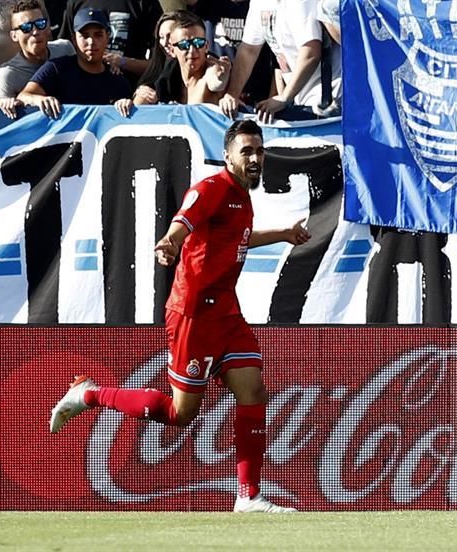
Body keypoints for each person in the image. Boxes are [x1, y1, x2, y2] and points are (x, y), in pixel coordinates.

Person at [50, 119, 310, 514]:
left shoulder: (241, 195)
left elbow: (237, 237)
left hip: (227, 313)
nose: (255, 158)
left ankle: (249, 496)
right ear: (228, 156)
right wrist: (170, 243)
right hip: (193, 315)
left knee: (253, 392)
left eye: (259, 151)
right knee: (179, 413)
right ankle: (88, 394)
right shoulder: (212, 188)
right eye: (247, 152)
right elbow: (182, 222)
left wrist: (284, 234)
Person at [219, 0, 340, 123]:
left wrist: (284, 97)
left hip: (334, 101)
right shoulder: (259, 3)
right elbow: (248, 50)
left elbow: (310, 52)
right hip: (304, 100)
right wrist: (233, 94)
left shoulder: (300, 2)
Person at [17, 7, 132, 118]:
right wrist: (38, 100)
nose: (91, 42)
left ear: (107, 38)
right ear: (74, 40)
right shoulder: (56, 69)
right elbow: (23, 96)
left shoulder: (118, 81)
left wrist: (125, 105)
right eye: (85, 36)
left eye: (98, 35)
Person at [0, 0, 73, 118]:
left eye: (40, 24)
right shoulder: (8, 74)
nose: (35, 32)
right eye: (26, 27)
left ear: (48, 27)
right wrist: (32, 100)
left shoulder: (65, 49)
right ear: (14, 36)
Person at [58, 0, 161, 82]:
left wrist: (123, 62)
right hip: (80, 90)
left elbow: (161, 65)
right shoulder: (75, 3)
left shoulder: (144, 3)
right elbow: (63, 53)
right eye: (85, 35)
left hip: (129, 93)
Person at [143, 10, 230, 105]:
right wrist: (127, 105)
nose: (192, 50)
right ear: (172, 51)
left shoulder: (211, 68)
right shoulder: (168, 74)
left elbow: (216, 82)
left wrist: (222, 76)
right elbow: (144, 96)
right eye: (184, 45)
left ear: (206, 46)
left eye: (198, 43)